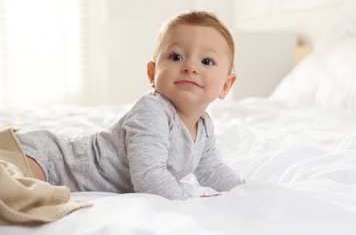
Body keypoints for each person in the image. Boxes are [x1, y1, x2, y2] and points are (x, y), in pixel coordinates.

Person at [3, 10, 243, 200]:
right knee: (12, 189)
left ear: (225, 86)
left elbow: (211, 170)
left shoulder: (204, 126)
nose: (191, 66)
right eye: (176, 56)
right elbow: (149, 176)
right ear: (152, 73)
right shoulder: (153, 111)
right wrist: (187, 205)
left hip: (56, 163)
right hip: (54, 162)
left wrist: (245, 192)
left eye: (207, 61)